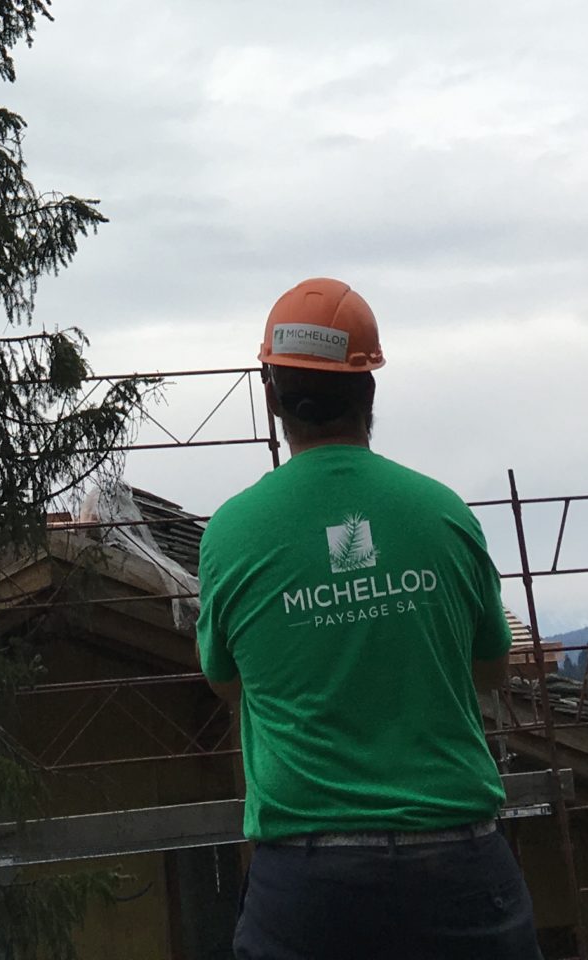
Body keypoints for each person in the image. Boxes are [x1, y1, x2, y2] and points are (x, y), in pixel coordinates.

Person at [196, 277, 543, 959]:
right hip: (460, 874)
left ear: (272, 399)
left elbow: (230, 683)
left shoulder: (232, 535)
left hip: (308, 888)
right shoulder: (442, 514)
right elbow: (492, 669)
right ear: (370, 392)